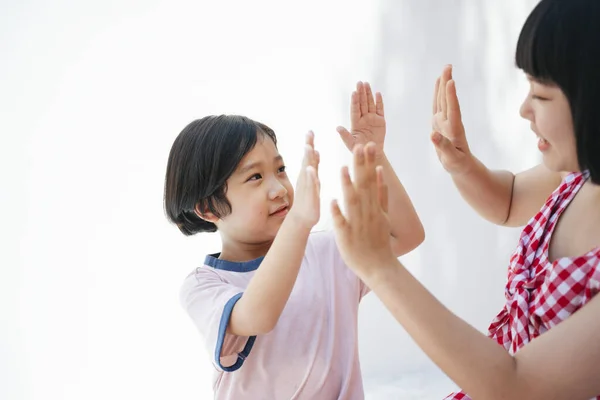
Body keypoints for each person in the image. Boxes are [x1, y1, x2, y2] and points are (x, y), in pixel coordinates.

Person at [330, 0, 600, 399]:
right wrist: (462, 164)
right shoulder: (577, 178)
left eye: (541, 96)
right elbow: (507, 201)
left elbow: (516, 384)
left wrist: (380, 268)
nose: (524, 109)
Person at [163, 83, 424, 399]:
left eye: (281, 169)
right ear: (207, 209)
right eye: (255, 177)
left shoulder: (329, 251)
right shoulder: (203, 285)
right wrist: (298, 224)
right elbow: (257, 317)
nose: (279, 188)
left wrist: (374, 156)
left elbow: (406, 234)